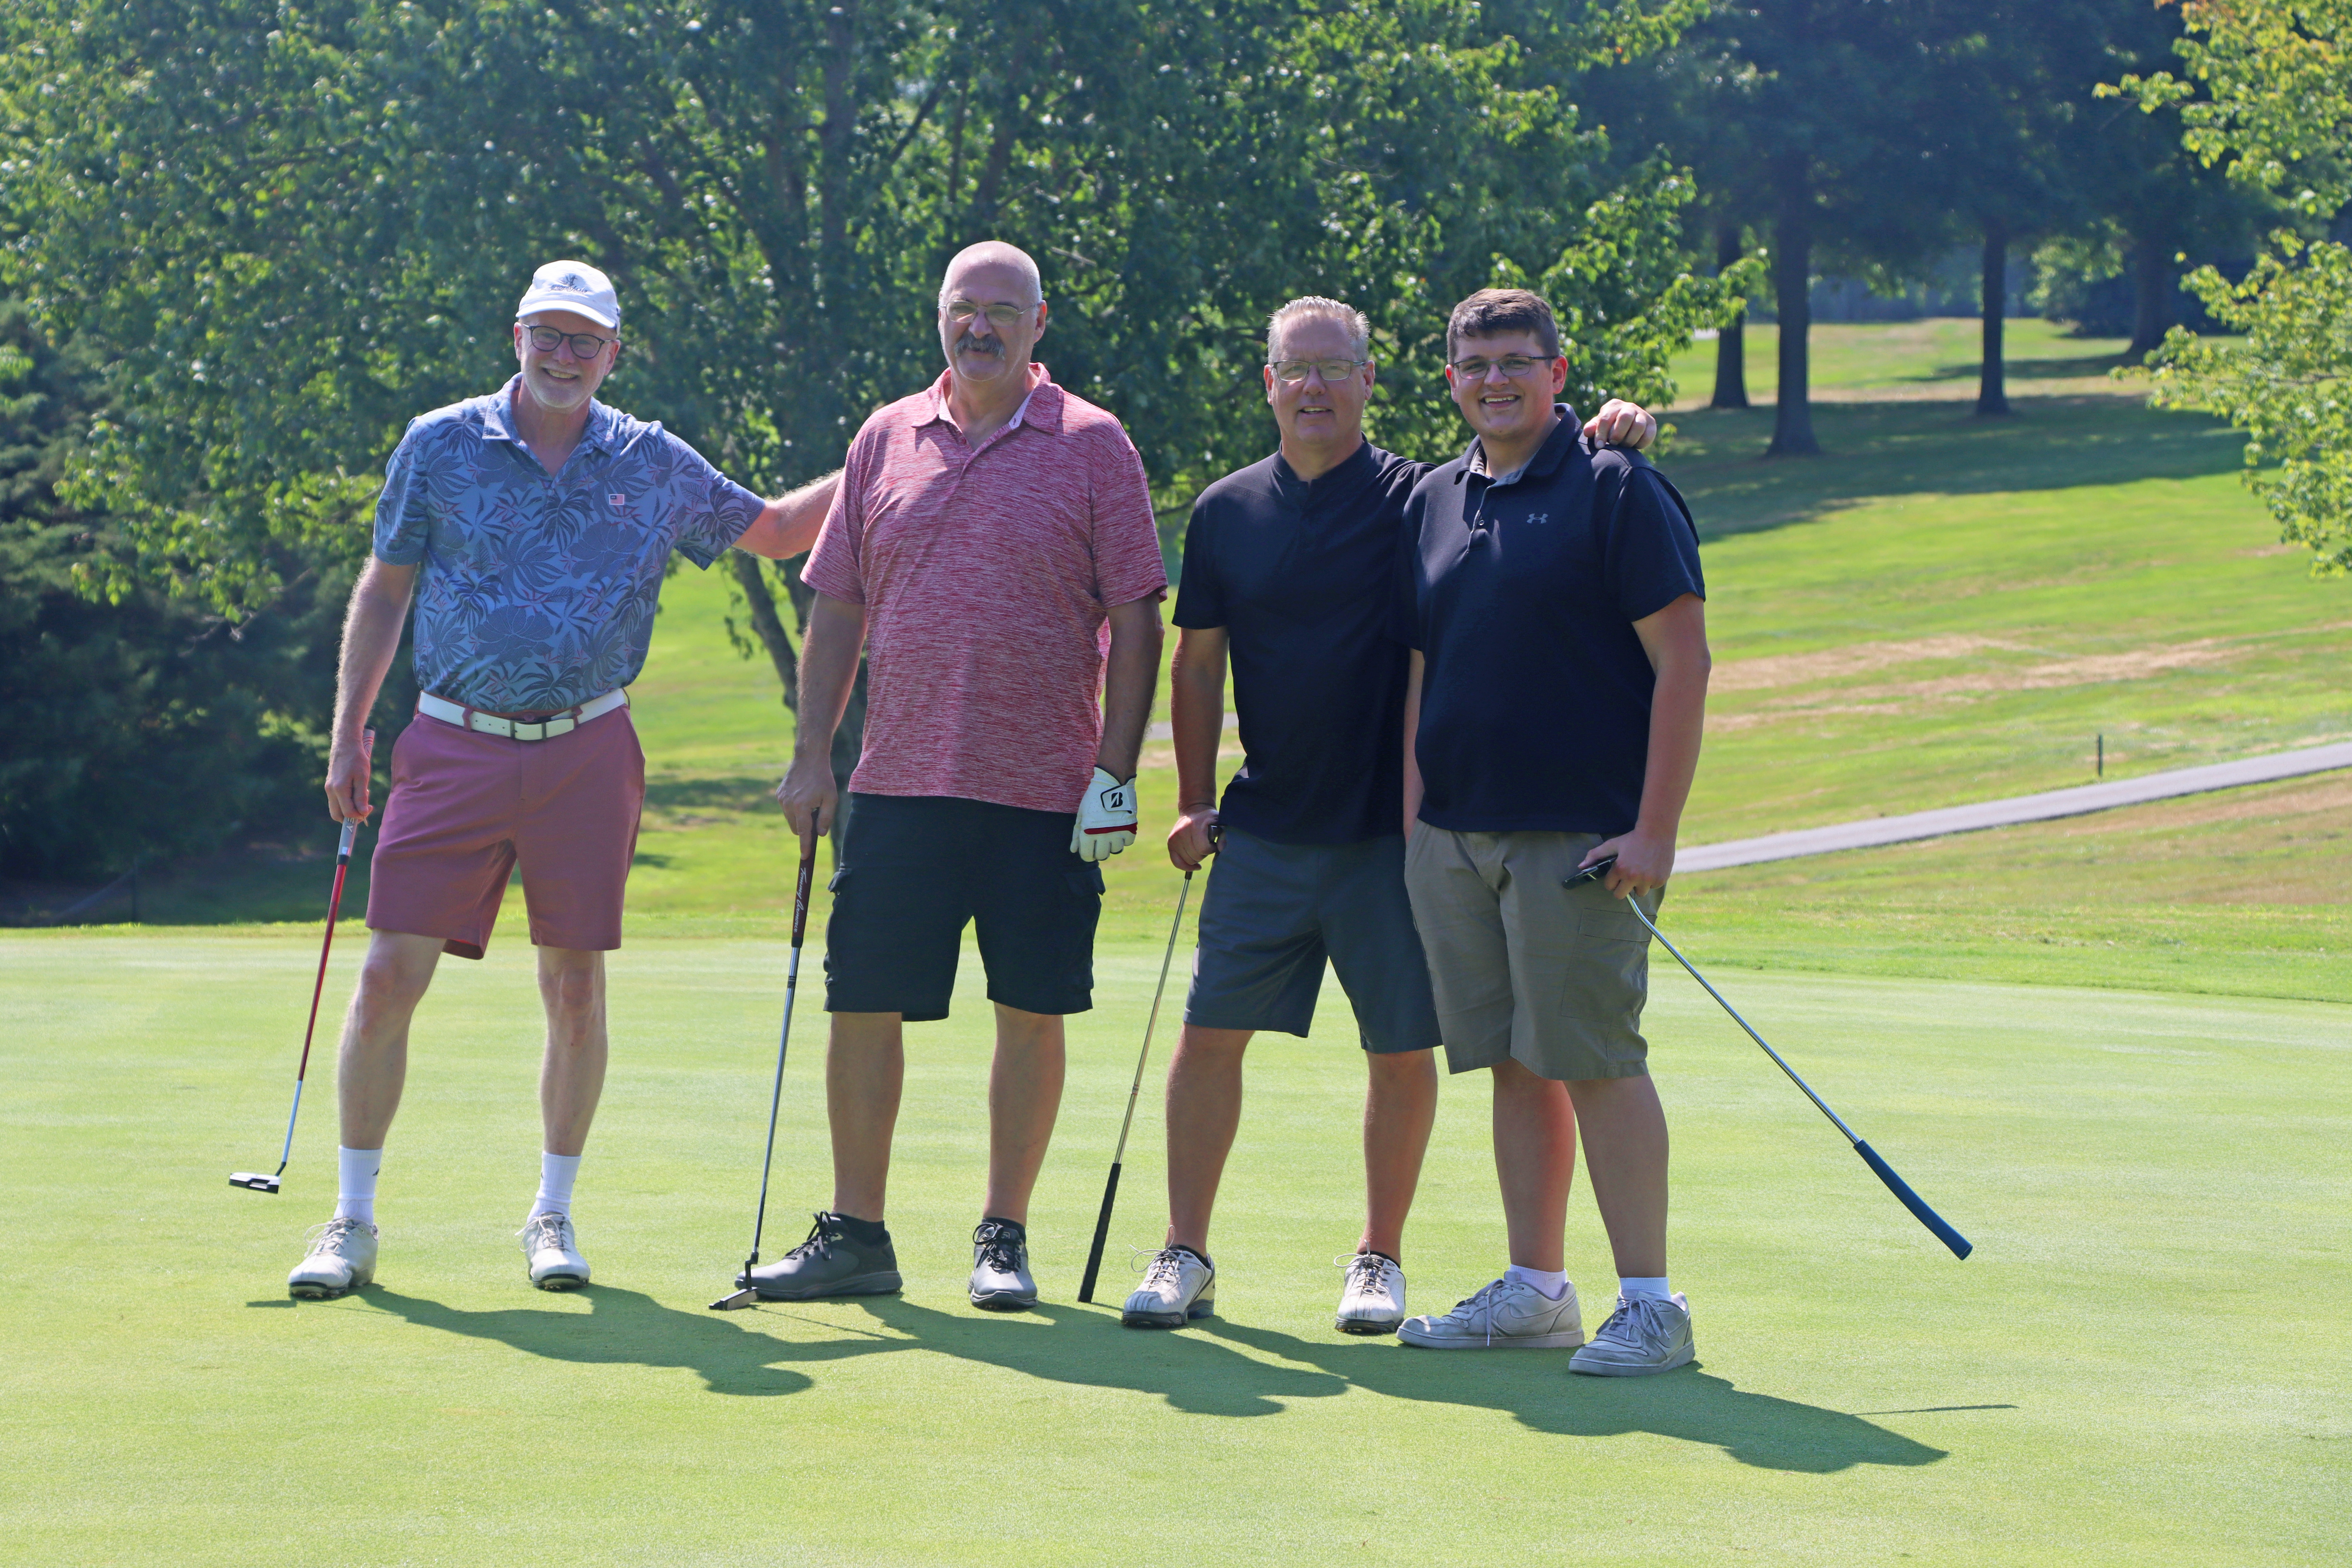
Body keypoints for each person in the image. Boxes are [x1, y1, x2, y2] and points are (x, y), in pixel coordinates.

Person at [287, 261, 840, 1301]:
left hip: (589, 748)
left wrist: (884, 455)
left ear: (615, 353)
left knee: (574, 986)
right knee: (386, 978)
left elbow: (771, 534)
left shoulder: (651, 460)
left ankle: (553, 1213)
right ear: (517, 335)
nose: (565, 353)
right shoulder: (440, 444)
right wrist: (349, 729)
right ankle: (351, 1220)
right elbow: (386, 585)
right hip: (452, 743)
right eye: (549, 332)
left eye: (586, 339)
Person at [1119, 296, 1657, 1334]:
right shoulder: (1226, 510)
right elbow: (1197, 665)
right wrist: (1189, 798)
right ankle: (1185, 1250)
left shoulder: (1420, 496)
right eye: (1294, 370)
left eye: (1335, 369)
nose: (1313, 387)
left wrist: (1608, 425)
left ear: (1371, 381)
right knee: (1209, 1035)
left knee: (1402, 1053)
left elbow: (1523, 453)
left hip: (1396, 840)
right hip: (1265, 829)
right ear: (1268, 384)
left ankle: (1379, 1258)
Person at [748, 241, 1168, 1312]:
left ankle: (1004, 1236)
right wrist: (811, 758)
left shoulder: (1093, 444)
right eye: (960, 309)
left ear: (1038, 326)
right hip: (899, 781)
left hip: (1045, 788)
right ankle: (857, 1234)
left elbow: (1134, 612)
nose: (977, 328)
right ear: (939, 316)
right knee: (864, 1004)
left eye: (1000, 311)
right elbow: (835, 604)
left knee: (1031, 1007)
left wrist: (1114, 776)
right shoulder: (885, 437)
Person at [1394, 288, 1709, 1375]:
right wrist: (1414, 825)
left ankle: (1653, 1304)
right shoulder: (1434, 497)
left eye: (1519, 362)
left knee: (1596, 1059)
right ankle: (1536, 1290)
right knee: (1515, 1064)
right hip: (1456, 834)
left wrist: (1655, 831)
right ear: (1451, 381)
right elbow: (1424, 669)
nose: (1497, 381)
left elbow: (1685, 664)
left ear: (1559, 374)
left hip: (1580, 835)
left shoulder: (1618, 486)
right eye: (1476, 365)